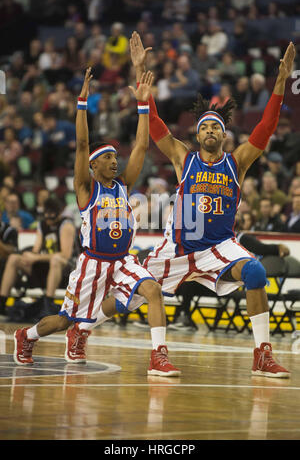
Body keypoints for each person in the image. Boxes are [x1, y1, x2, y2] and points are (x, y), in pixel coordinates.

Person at [119, 32, 296, 378]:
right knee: (128, 294)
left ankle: (262, 354)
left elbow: (266, 127)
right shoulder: (183, 157)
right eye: (206, 127)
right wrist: (140, 71)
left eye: (217, 126)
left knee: (256, 271)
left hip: (219, 246)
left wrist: (280, 83)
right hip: (178, 247)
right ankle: (81, 327)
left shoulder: (237, 162)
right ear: (197, 135)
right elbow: (154, 126)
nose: (212, 130)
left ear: (225, 135)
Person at [13, 67, 180, 377]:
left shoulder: (123, 184)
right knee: (64, 320)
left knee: (152, 291)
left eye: (116, 157)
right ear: (93, 165)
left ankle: (158, 357)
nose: (115, 161)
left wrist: (144, 104)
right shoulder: (85, 188)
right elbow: (80, 144)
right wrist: (82, 104)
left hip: (123, 261)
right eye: (108, 158)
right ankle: (27, 336)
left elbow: (142, 146)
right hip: (93, 263)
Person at [0, 197, 76, 318]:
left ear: (59, 213)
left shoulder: (66, 225)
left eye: (52, 214)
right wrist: (29, 256)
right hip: (45, 269)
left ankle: (48, 304)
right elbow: (36, 250)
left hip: (64, 272)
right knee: (14, 258)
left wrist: (36, 257)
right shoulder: (42, 225)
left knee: (56, 260)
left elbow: (65, 255)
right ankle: (2, 303)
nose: (48, 217)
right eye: (47, 213)